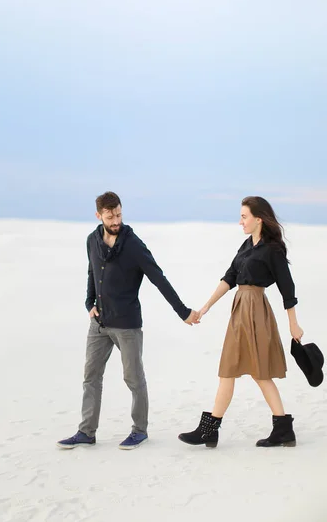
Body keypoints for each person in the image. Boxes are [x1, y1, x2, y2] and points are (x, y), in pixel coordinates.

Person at [58, 191, 198, 450]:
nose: (115, 220)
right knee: (91, 377)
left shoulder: (133, 245)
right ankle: (86, 432)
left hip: (127, 324)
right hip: (99, 324)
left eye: (119, 214)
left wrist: (183, 311)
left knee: (133, 378)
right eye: (110, 216)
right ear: (99, 215)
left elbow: (158, 278)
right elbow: (92, 271)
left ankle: (139, 430)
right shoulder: (92, 240)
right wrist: (89, 303)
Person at [178, 196, 304, 448]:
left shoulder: (272, 250)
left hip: (257, 311)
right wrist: (206, 307)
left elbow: (287, 289)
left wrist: (293, 323)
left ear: (259, 219)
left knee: (260, 373)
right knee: (228, 369)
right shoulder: (246, 246)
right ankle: (210, 429)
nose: (240, 221)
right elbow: (230, 277)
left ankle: (282, 428)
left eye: (244, 216)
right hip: (239, 310)